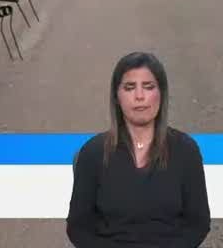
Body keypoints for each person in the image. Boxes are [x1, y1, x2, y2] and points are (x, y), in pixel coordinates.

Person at [67, 52, 210, 248]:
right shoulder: (93, 153)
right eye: (129, 87)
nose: (140, 96)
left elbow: (198, 223)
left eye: (149, 87)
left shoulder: (186, 151)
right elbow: (78, 227)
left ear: (161, 93)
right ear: (117, 97)